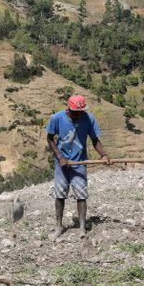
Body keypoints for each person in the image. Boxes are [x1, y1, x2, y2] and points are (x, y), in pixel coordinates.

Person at [46, 94, 110, 238]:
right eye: (77, 112)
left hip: (80, 163)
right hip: (61, 164)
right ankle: (58, 227)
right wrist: (60, 157)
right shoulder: (57, 118)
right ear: (69, 110)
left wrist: (104, 155)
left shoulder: (88, 118)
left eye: (82, 111)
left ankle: (82, 228)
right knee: (60, 195)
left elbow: (95, 140)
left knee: (81, 196)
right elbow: (50, 138)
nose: (81, 114)